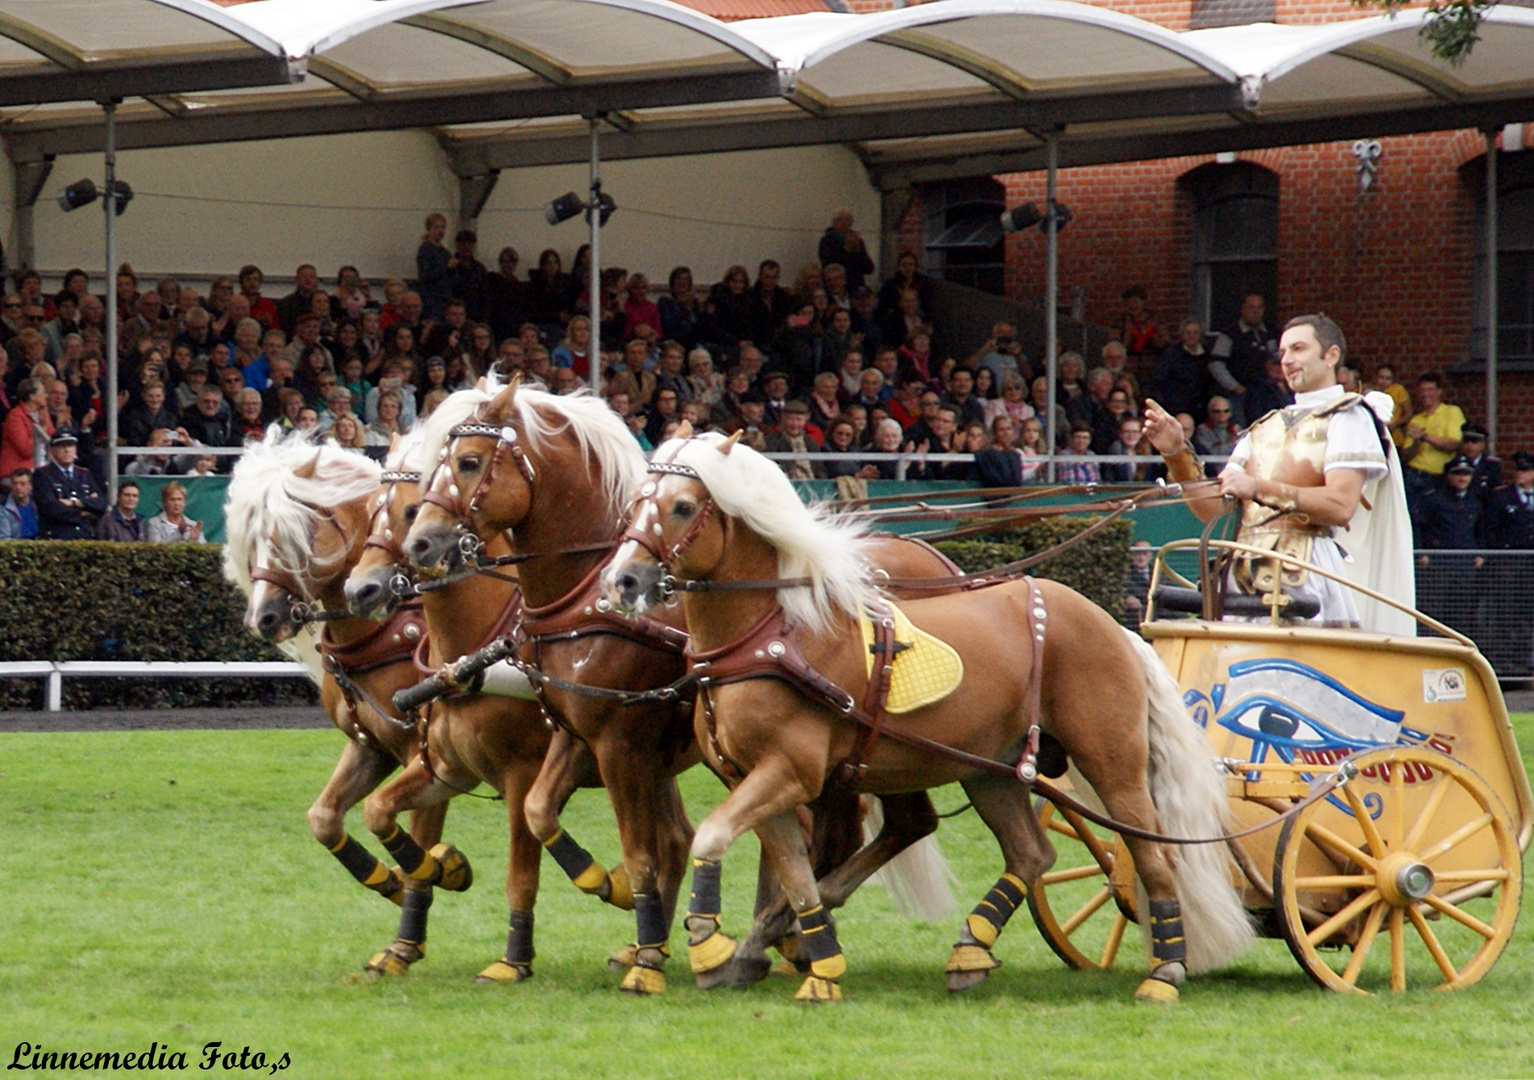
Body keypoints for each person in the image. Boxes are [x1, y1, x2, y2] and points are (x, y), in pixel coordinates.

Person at [1144, 313, 1413, 634]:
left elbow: (1341, 504)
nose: (1288, 360)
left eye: (1298, 349)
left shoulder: (1348, 416)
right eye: (1283, 352)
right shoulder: (1264, 427)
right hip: (1245, 577)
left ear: (1331, 356)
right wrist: (1176, 454)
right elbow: (1216, 512)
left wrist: (1257, 486)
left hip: (1306, 574)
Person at [1411, 455, 1484, 638]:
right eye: (1457, 473)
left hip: (1464, 564)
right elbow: (1418, 525)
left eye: (1466, 473)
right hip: (1438, 563)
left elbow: (1482, 529)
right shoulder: (1433, 499)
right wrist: (1421, 552)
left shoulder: (1474, 501)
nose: (1462, 477)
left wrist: (1480, 553)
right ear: (1448, 476)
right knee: (1434, 609)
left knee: (1462, 610)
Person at [1207, 293, 1276, 426]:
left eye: (1259, 307)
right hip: (1239, 395)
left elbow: (1276, 358)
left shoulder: (1270, 332)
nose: (1256, 312)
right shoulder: (1229, 334)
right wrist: (1234, 386)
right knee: (1242, 430)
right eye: (1251, 307)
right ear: (1243, 310)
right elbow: (1216, 363)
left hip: (1265, 392)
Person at [1399, 372, 1465, 505]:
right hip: (1413, 475)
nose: (1425, 394)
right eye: (1422, 390)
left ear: (1439, 392)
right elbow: (1405, 456)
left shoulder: (1451, 412)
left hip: (1437, 478)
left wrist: (1424, 436)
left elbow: (1453, 444)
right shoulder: (1416, 419)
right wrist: (1416, 443)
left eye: (1430, 389)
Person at [33, 431, 106, 539]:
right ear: (53, 450)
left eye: (70, 446)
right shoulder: (43, 475)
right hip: (57, 537)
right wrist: (85, 512)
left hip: (85, 536)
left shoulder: (84, 474)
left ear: (75, 449)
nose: (67, 450)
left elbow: (102, 504)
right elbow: (51, 509)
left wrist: (75, 503)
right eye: (62, 446)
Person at [818, 209, 875, 293]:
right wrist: (846, 251)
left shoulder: (857, 240)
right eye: (839, 220)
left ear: (851, 223)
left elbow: (868, 269)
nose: (844, 223)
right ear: (833, 223)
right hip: (836, 288)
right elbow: (828, 265)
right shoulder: (827, 241)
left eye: (847, 220)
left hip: (856, 286)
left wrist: (858, 252)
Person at [1122, 539, 1154, 627]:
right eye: (1138, 554)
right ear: (1132, 555)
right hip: (1135, 618)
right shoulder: (1126, 573)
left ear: (1150, 555)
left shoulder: (1157, 571)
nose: (1141, 558)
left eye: (1145, 554)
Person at [0, 466, 37, 539]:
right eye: (14, 483)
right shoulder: (3, 509)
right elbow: (4, 538)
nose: (18, 487)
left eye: (22, 484)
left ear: (31, 486)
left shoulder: (39, 504)